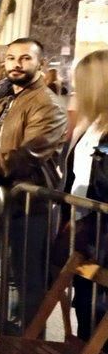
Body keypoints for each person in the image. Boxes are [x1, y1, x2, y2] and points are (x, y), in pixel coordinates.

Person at [0, 37, 67, 329]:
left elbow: (24, 156)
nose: (16, 64)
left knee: (24, 278)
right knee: (3, 274)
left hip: (30, 206)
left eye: (25, 58)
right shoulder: (5, 100)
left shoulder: (47, 105)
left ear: (41, 64)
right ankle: (3, 333)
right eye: (11, 58)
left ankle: (24, 343)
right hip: (0, 201)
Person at [66, 49, 108, 338]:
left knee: (96, 309)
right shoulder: (92, 124)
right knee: (85, 304)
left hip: (103, 235)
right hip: (88, 231)